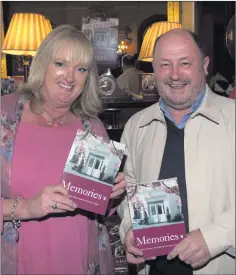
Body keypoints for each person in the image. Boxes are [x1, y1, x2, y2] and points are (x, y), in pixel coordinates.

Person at [1, 24, 127, 275]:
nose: (70, 77)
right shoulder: (4, 116)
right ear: (42, 64)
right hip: (21, 259)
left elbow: (102, 211)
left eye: (80, 69)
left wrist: (111, 195)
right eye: (60, 64)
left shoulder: (93, 128)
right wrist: (27, 208)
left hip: (80, 258)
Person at [117, 28, 235, 275]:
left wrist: (213, 238)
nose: (174, 75)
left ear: (204, 65)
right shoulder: (136, 126)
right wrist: (129, 226)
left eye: (185, 63)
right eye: (164, 65)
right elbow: (127, 188)